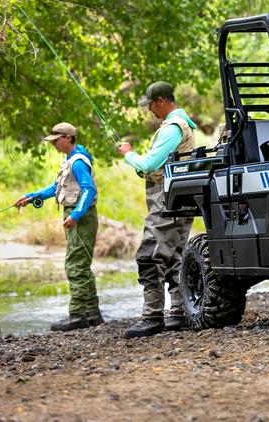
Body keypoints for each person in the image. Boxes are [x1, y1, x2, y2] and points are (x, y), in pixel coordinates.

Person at [118, 81, 196, 338]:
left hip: (166, 200)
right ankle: (178, 313)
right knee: (175, 256)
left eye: (150, 104)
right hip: (179, 198)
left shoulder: (172, 128)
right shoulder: (182, 124)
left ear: (161, 101)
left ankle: (152, 317)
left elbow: (151, 162)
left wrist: (129, 154)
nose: (149, 109)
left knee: (149, 256)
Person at [15, 122, 102, 331]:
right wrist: (31, 197)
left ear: (68, 138)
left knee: (75, 265)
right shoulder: (70, 160)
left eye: (56, 140)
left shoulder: (79, 162)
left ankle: (77, 316)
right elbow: (56, 188)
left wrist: (76, 214)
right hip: (77, 216)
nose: (54, 144)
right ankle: (92, 315)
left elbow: (88, 190)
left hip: (81, 218)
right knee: (81, 264)